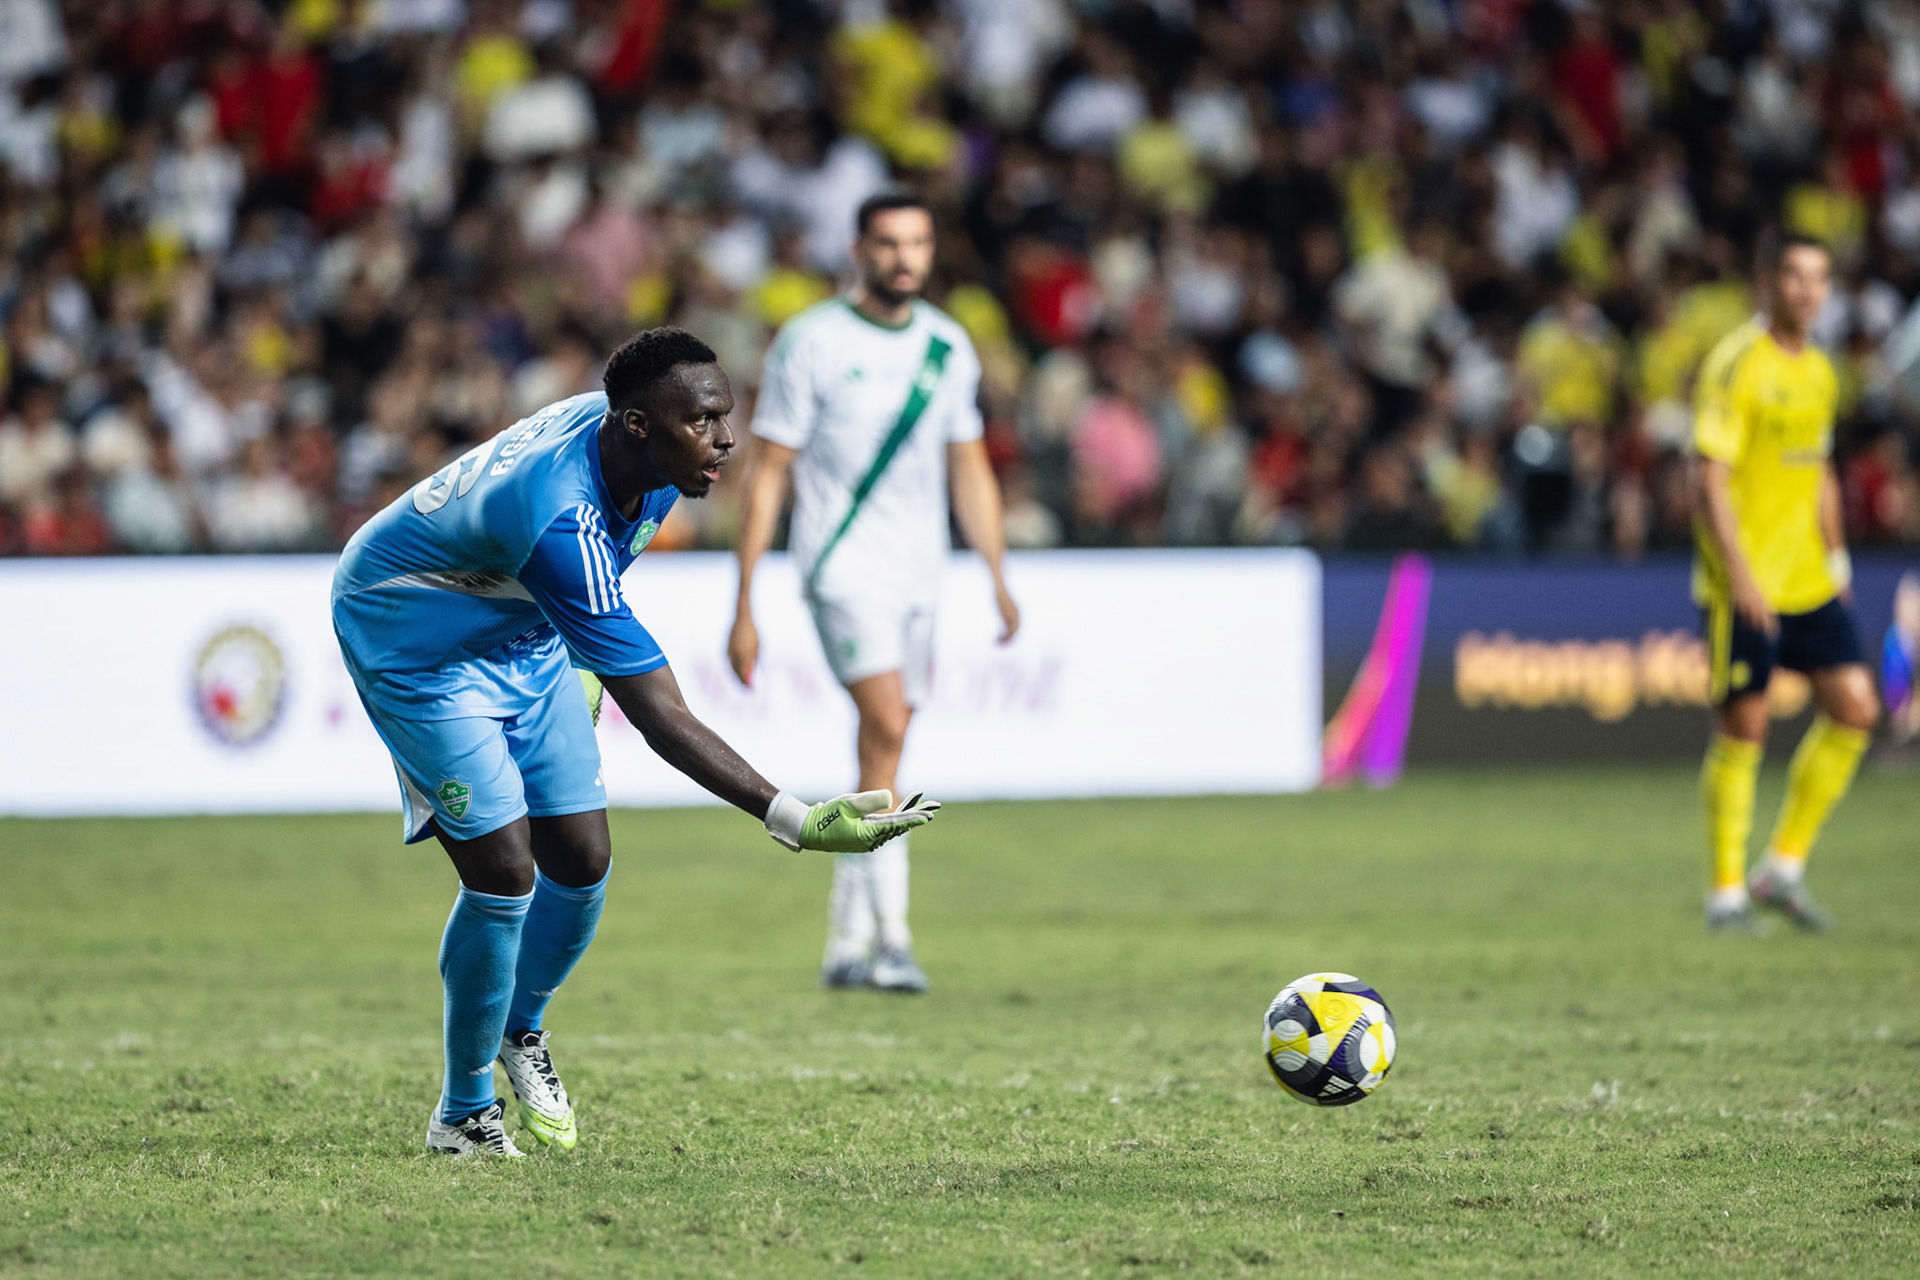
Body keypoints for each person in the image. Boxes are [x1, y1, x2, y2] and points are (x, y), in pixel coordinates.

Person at [332, 327, 940, 1158]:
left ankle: (520, 1028)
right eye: (703, 422)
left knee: (581, 857)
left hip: (520, 629)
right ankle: (465, 1114)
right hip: (414, 639)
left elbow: (590, 585)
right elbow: (659, 715)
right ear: (637, 426)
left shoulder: (646, 462)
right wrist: (791, 816)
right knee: (505, 867)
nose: (727, 439)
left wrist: (579, 654)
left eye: (727, 415)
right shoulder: (559, 513)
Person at [728, 192, 1019, 993]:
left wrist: (995, 571)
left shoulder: (948, 346)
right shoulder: (812, 341)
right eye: (889, 243)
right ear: (859, 248)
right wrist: (744, 598)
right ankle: (892, 937)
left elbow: (969, 464)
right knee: (887, 723)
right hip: (839, 565)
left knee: (885, 741)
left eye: (918, 242)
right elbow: (768, 474)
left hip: (921, 571)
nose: (904, 258)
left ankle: (847, 939)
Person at [1692, 235, 1879, 933]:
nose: (1808, 291)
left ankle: (1784, 868)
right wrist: (1739, 573)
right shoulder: (1737, 363)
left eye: (1820, 279)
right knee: (1745, 724)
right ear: (1767, 281)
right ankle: (1726, 893)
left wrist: (1837, 561)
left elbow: (1820, 471)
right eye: (1795, 276)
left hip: (1807, 576)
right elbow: (1707, 476)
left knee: (1856, 708)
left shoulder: (1821, 373)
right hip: (1747, 579)